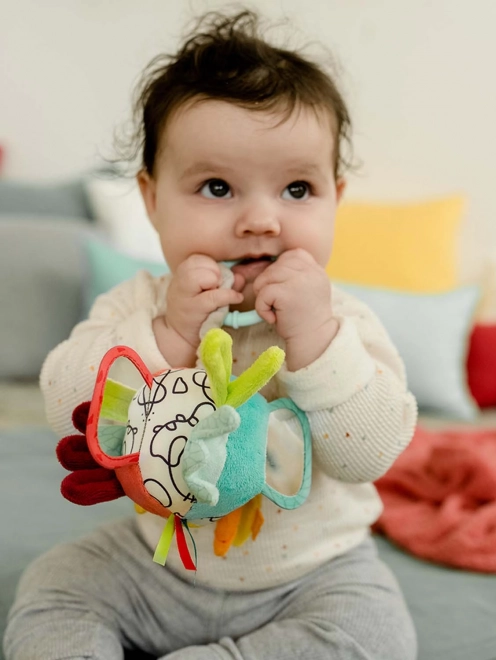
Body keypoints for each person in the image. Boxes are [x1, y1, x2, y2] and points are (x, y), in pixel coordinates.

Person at [3, 10, 419, 660]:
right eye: (217, 187)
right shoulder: (140, 306)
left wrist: (315, 342)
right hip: (158, 563)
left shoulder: (340, 321)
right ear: (151, 199)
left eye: (298, 189)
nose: (260, 219)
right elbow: (69, 413)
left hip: (313, 573)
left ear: (336, 198)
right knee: (54, 584)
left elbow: (368, 453)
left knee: (378, 633)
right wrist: (167, 334)